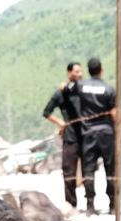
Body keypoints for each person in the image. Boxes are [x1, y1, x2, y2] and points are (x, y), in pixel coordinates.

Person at [64, 57, 121, 216]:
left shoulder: (81, 86)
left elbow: (67, 89)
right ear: (101, 70)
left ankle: (90, 206)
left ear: (88, 71)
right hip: (106, 133)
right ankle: (112, 205)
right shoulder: (108, 89)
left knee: (89, 170)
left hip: (88, 133)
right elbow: (115, 116)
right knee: (110, 169)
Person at [43, 62, 83, 209]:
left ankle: (90, 203)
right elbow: (46, 112)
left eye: (81, 72)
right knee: (69, 172)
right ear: (69, 73)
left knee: (89, 172)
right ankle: (71, 205)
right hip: (70, 137)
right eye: (77, 72)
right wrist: (60, 122)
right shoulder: (61, 93)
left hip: (86, 136)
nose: (80, 74)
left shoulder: (84, 91)